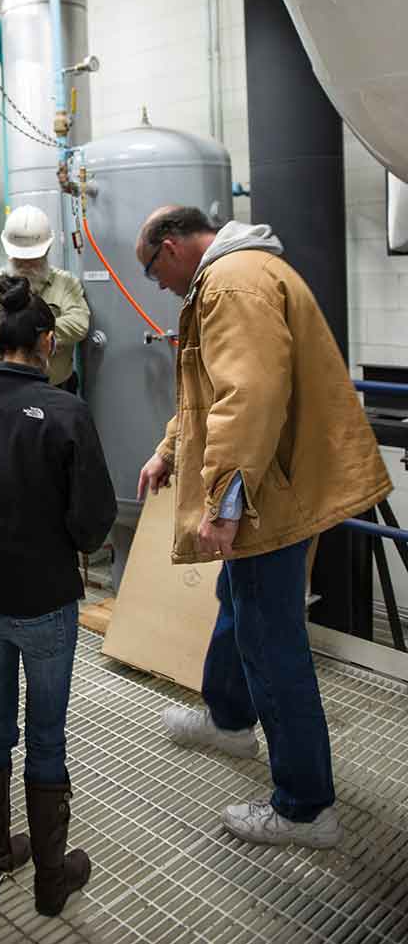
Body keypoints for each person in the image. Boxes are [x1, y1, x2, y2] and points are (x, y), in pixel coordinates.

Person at [135, 205, 391, 850]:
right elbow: (208, 393)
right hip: (270, 483)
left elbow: (248, 397)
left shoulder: (232, 283)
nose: (157, 284)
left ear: (171, 247)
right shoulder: (239, 273)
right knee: (239, 605)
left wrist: (224, 500)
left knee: (272, 642)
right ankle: (228, 718)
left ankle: (306, 808)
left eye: (151, 270)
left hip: (268, 494)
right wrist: (169, 449)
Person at [0, 275, 116, 913]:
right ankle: (49, 878)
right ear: (46, 342)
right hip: (46, 597)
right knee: (46, 735)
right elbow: (93, 518)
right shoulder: (67, 412)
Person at [0, 206, 89, 393]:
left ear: (47, 250)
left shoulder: (66, 283)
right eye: (19, 258)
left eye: (33, 258)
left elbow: (79, 324)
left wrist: (15, 332)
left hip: (54, 388)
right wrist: (40, 335)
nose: (25, 264)